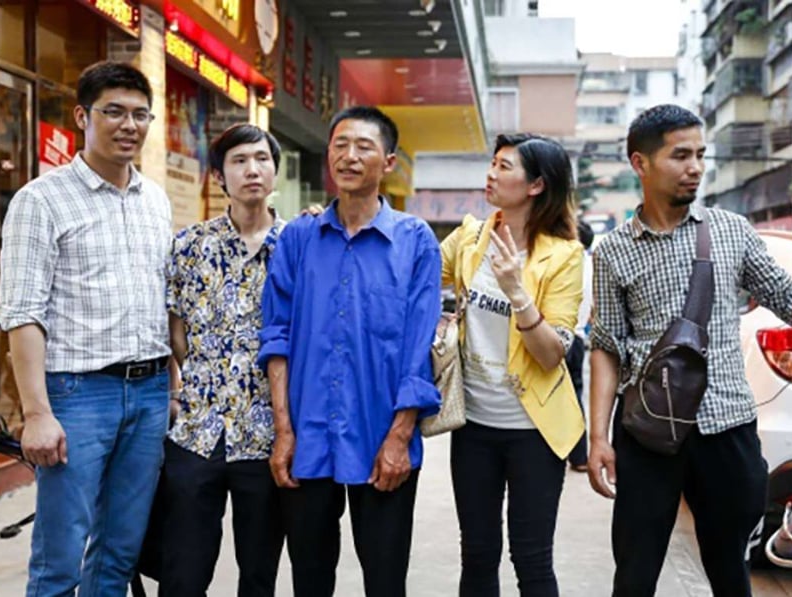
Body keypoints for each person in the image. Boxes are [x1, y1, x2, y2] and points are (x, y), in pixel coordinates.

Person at [586, 104, 792, 597]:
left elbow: (790, 301)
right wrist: (598, 437)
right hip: (647, 431)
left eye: (700, 155)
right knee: (634, 572)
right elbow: (605, 346)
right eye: (679, 155)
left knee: (732, 572)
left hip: (726, 429)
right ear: (640, 163)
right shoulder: (612, 250)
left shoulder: (731, 230)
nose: (694, 167)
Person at [0, 61, 173, 596]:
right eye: (113, 111)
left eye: (141, 114)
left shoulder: (155, 202)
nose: (129, 125)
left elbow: (164, 302)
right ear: (82, 116)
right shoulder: (41, 200)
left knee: (120, 554)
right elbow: (23, 312)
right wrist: (37, 414)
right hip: (77, 395)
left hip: (150, 393)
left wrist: (175, 389)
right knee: (60, 558)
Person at [257, 105, 442, 597]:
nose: (349, 156)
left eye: (363, 146)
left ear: (389, 162)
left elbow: (418, 347)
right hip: (308, 436)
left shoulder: (415, 242)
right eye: (340, 145)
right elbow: (276, 337)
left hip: (381, 435)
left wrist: (400, 436)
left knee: (385, 582)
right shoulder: (298, 237)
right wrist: (283, 431)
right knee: (309, 580)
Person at [440, 133, 585, 596]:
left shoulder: (564, 256)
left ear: (537, 185)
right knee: (477, 555)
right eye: (493, 163)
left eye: (505, 166)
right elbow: (410, 267)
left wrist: (517, 291)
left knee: (531, 558)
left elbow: (551, 353)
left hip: (536, 434)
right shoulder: (470, 236)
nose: (491, 173)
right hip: (475, 428)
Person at [160, 124, 286, 596]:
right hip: (198, 433)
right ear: (219, 176)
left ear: (275, 170)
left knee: (258, 573)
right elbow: (176, 333)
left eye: (261, 159)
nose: (252, 169)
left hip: (267, 438)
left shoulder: (299, 245)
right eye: (238, 161)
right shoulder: (190, 247)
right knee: (183, 573)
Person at [565, 219, 594, 472]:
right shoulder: (592, 266)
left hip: (561, 336)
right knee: (575, 397)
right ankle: (579, 456)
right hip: (578, 337)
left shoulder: (568, 262)